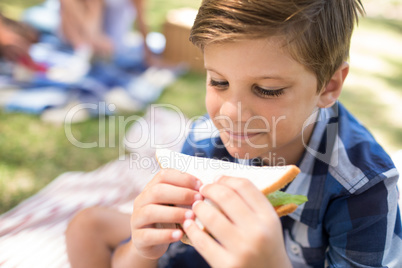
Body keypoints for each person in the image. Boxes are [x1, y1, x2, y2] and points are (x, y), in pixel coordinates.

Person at [65, 0, 402, 267]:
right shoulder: (203, 141)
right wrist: (143, 249)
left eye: (267, 90)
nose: (229, 113)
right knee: (85, 227)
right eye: (219, 82)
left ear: (328, 86)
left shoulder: (362, 187)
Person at [59, 0, 152, 60]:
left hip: (114, 46)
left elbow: (141, 19)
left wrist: (148, 53)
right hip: (92, 45)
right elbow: (91, 29)